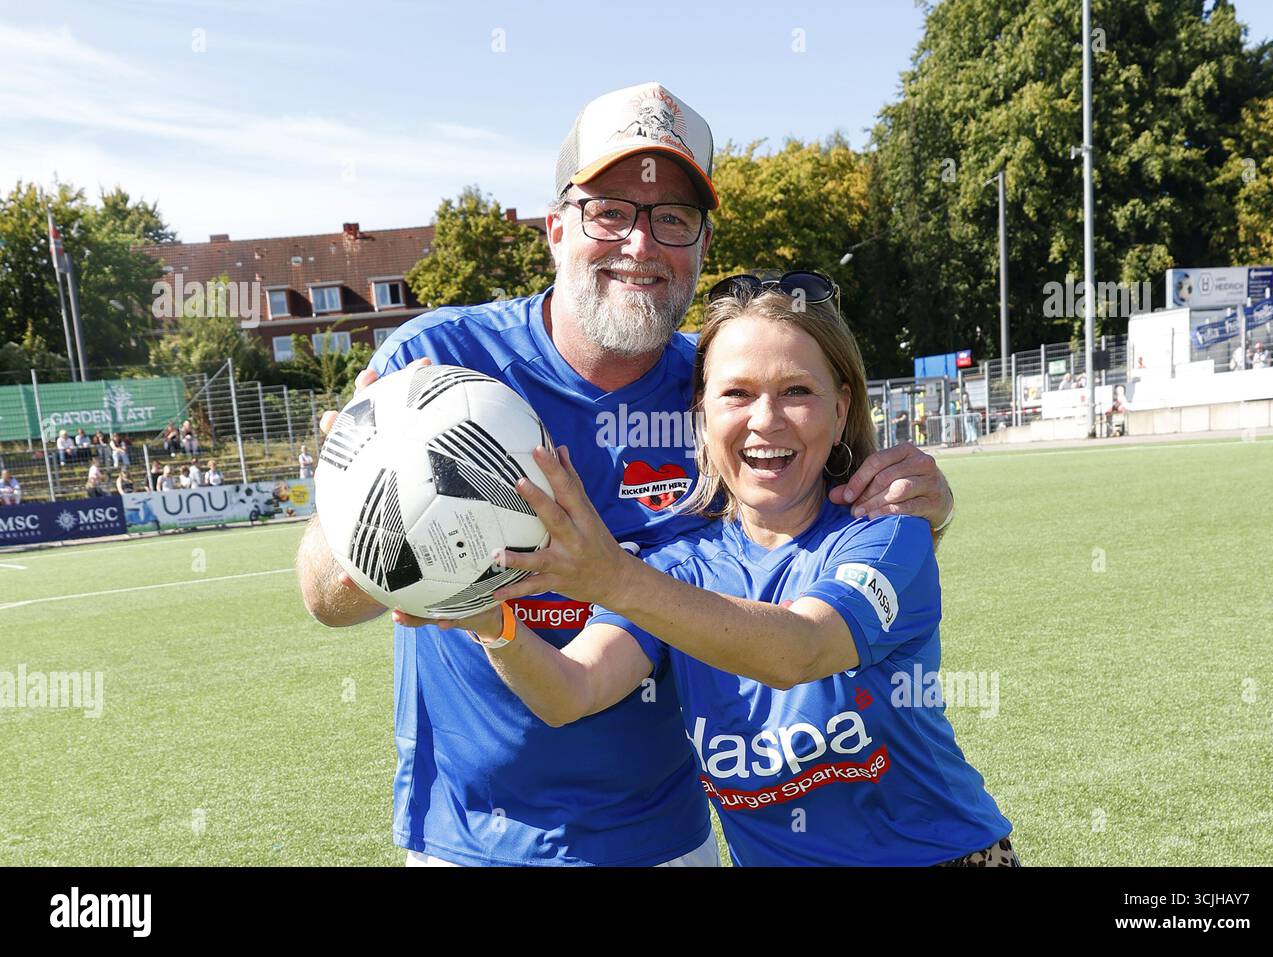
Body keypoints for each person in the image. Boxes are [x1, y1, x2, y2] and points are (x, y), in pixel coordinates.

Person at [296, 82, 954, 868]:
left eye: (673, 218)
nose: (640, 244)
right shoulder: (438, 365)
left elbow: (826, 515)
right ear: (556, 227)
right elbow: (323, 597)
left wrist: (921, 499)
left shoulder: (720, 391)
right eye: (610, 209)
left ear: (703, 245)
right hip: (466, 836)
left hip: (662, 838)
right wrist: (392, 533)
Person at [407, 283, 1013, 866]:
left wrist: (613, 578)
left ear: (842, 407)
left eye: (797, 390)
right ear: (700, 414)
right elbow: (570, 691)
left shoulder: (884, 531)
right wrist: (484, 617)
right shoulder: (679, 564)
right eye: (737, 394)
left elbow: (798, 650)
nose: (767, 420)